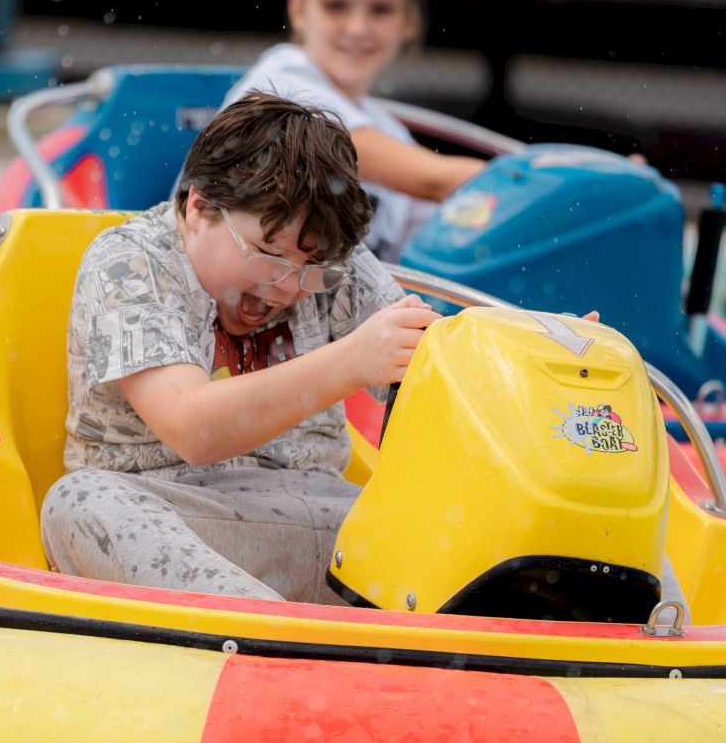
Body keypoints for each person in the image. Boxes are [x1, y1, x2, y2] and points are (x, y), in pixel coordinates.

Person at [41, 93, 439, 604]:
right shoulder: (129, 260)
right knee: (78, 502)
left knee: (458, 514)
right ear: (198, 206)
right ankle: (273, 634)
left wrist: (550, 342)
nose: (285, 287)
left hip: (334, 530)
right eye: (267, 255)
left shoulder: (326, 263)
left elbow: (443, 372)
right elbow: (192, 427)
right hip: (180, 525)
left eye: (308, 269)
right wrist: (351, 360)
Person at [223, 0, 486, 261]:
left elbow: (439, 241)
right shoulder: (280, 81)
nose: (358, 28)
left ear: (408, 21)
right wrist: (534, 184)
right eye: (337, 6)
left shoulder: (390, 131)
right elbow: (433, 180)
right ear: (299, 10)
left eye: (380, 9)